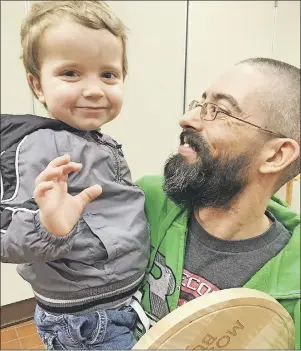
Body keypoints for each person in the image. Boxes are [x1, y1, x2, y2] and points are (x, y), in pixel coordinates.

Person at [31, 57, 300, 349]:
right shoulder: (141, 201)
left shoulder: (292, 294)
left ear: (276, 156)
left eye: (218, 111)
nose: (187, 119)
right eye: (200, 104)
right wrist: (50, 228)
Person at [0, 1, 149, 350]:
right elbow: (6, 236)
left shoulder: (97, 139)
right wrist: (49, 226)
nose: (95, 89)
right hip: (88, 317)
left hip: (117, 300)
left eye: (108, 74)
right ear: (37, 86)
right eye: (70, 73)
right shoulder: (38, 147)